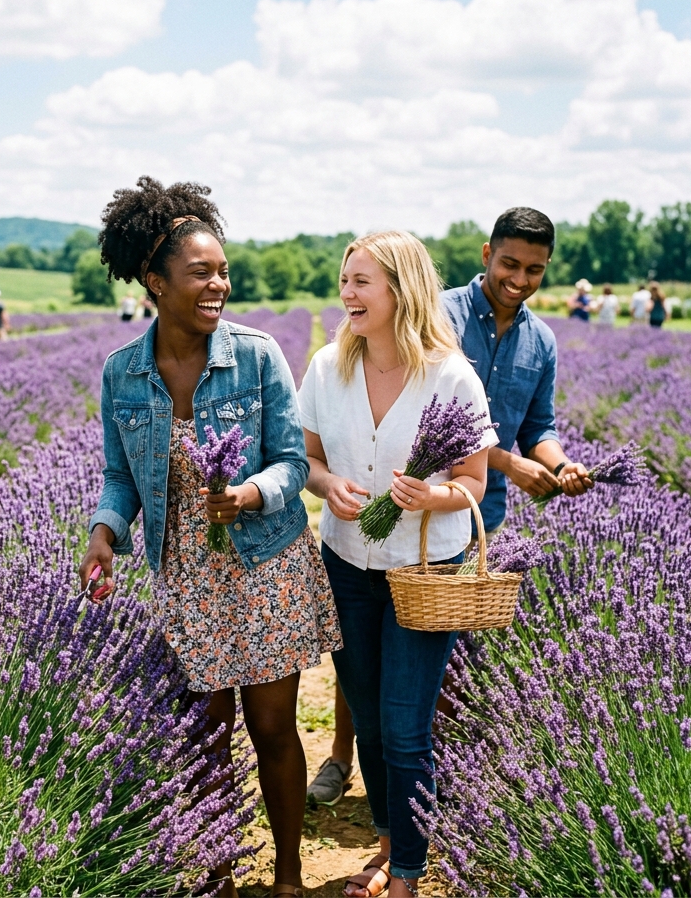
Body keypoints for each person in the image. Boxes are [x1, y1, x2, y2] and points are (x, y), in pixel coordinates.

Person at [80, 176, 340, 898]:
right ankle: (219, 873)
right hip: (186, 570)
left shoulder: (256, 357)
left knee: (272, 727)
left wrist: (250, 492)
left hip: (264, 564)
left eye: (223, 269)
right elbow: (119, 473)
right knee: (202, 735)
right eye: (201, 272)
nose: (218, 283)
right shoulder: (122, 374)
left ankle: (287, 875)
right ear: (154, 282)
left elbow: (294, 462)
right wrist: (104, 532)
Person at [308, 209, 596, 830]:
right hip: (397, 515)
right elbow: (444, 422)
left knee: (420, 680)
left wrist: (559, 463)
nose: (519, 278)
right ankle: (344, 759)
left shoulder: (539, 341)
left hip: (462, 522)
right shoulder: (438, 315)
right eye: (510, 263)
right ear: (488, 253)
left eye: (535, 270)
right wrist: (508, 464)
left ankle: (415, 805)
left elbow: (533, 426)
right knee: (368, 671)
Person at [299, 230, 497, 898]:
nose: (346, 294)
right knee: (370, 716)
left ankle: (409, 874)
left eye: (361, 282)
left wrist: (433, 495)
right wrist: (329, 488)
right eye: (344, 280)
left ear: (400, 291)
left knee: (407, 726)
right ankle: (386, 848)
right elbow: (308, 459)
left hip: (425, 572)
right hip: (347, 562)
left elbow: (473, 482)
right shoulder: (328, 367)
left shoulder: (451, 375)